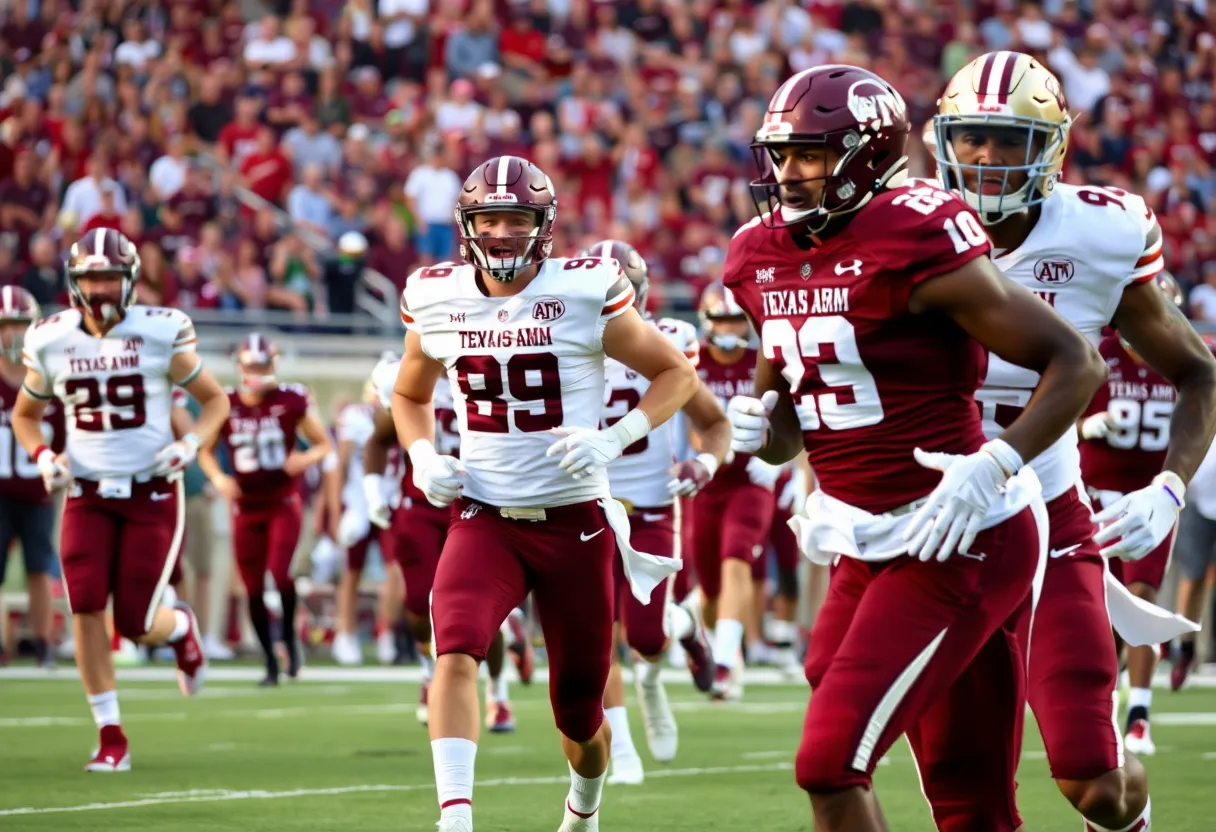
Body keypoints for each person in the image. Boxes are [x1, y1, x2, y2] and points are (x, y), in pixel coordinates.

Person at [723, 64, 1106, 831]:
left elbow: (1077, 362)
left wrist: (996, 463)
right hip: (866, 541)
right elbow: (787, 430)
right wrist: (755, 428)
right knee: (970, 802)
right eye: (781, 154)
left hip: (962, 531)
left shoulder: (916, 230)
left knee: (830, 764)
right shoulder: (756, 253)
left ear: (867, 154)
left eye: (809, 155)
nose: (789, 174)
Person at [933, 51, 1216, 832]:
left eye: (1005, 138)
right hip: (936, 525)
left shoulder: (1101, 231)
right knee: (961, 788)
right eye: (972, 138)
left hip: (1052, 519)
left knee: (1093, 780)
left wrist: (1169, 489)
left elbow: (1199, 372)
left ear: (1052, 147)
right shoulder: (903, 226)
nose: (984, 158)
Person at [392, 155, 699, 832]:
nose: (502, 232)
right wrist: (420, 454)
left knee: (580, 714)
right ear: (467, 225)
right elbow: (409, 393)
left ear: (545, 225)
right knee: (457, 647)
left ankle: (583, 808)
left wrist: (614, 438)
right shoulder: (435, 294)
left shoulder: (586, 289)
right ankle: (455, 818)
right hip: (484, 514)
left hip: (574, 522)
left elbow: (674, 374)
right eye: (489, 218)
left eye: (516, 218)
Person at [12, 227, 229, 771]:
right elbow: (25, 415)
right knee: (84, 603)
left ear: (130, 280)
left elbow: (216, 402)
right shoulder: (51, 338)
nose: (102, 289)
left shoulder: (161, 331)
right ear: (74, 282)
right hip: (85, 491)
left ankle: (178, 628)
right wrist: (43, 456)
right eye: (92, 278)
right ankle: (110, 734)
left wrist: (190, 446)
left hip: (151, 491)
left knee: (134, 622)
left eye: (111, 277)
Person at [590, 239, 722, 784]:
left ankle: (685, 625)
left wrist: (705, 463)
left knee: (647, 638)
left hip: (648, 507)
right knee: (595, 633)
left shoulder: (670, 340)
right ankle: (621, 750)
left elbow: (711, 421)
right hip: (587, 508)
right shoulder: (555, 343)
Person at [364, 351, 524, 730]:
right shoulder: (404, 375)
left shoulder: (487, 365)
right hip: (419, 506)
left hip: (476, 505)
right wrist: (373, 491)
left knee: (482, 610)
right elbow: (380, 438)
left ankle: (499, 694)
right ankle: (427, 673)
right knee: (420, 605)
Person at [1080, 272, 1188, 757]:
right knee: (1102, 606)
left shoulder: (1185, 363)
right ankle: (1100, 700)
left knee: (1143, 596)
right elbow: (1051, 412)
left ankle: (1139, 714)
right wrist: (1086, 426)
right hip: (1095, 495)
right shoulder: (1097, 352)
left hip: (1151, 497)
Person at [198, 333, 336, 686]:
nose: (258, 372)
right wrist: (218, 478)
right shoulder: (226, 403)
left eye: (263, 365)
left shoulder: (290, 399)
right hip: (245, 505)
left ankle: (289, 637)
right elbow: (205, 450)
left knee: (281, 572)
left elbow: (323, 444)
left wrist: (303, 458)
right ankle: (271, 664)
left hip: (282, 502)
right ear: (241, 368)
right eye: (252, 366)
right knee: (253, 588)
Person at [687, 281, 782, 700]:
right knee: (709, 588)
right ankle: (701, 626)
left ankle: (725, 661)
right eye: (720, 318)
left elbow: (793, 414)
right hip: (709, 482)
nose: (729, 326)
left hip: (753, 480)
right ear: (707, 322)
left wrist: (782, 462)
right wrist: (705, 453)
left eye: (735, 319)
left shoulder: (762, 360)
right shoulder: (693, 362)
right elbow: (687, 425)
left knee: (737, 554)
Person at [0, 286, 65, 668]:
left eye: (20, 325)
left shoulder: (50, 380)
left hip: (39, 492)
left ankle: (43, 644)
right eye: (6, 325)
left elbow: (72, 435)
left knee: (39, 568)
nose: (13, 334)